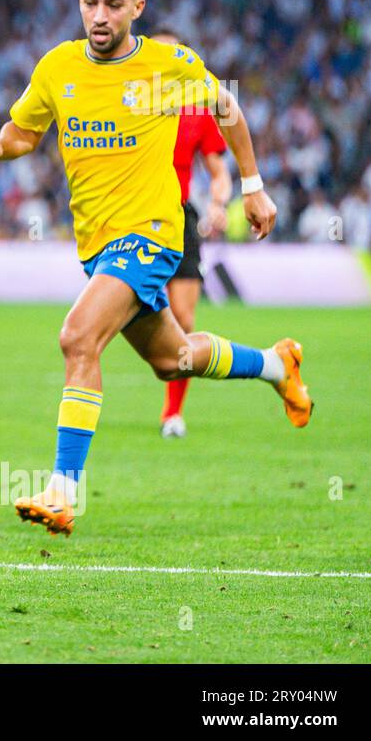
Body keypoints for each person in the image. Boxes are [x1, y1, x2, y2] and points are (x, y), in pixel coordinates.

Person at [0, 0, 313, 537]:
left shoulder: (165, 67)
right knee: (171, 359)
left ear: (137, 8)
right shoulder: (58, 68)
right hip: (98, 243)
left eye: (114, 4)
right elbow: (25, 130)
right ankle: (276, 366)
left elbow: (226, 110)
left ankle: (62, 491)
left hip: (153, 232)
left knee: (77, 337)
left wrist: (252, 187)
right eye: (90, 3)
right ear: (79, 2)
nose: (100, 16)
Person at [148, 28, 233, 439]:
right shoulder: (128, 105)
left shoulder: (197, 111)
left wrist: (218, 205)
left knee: (183, 318)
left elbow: (219, 172)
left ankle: (172, 413)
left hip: (179, 219)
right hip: (132, 218)